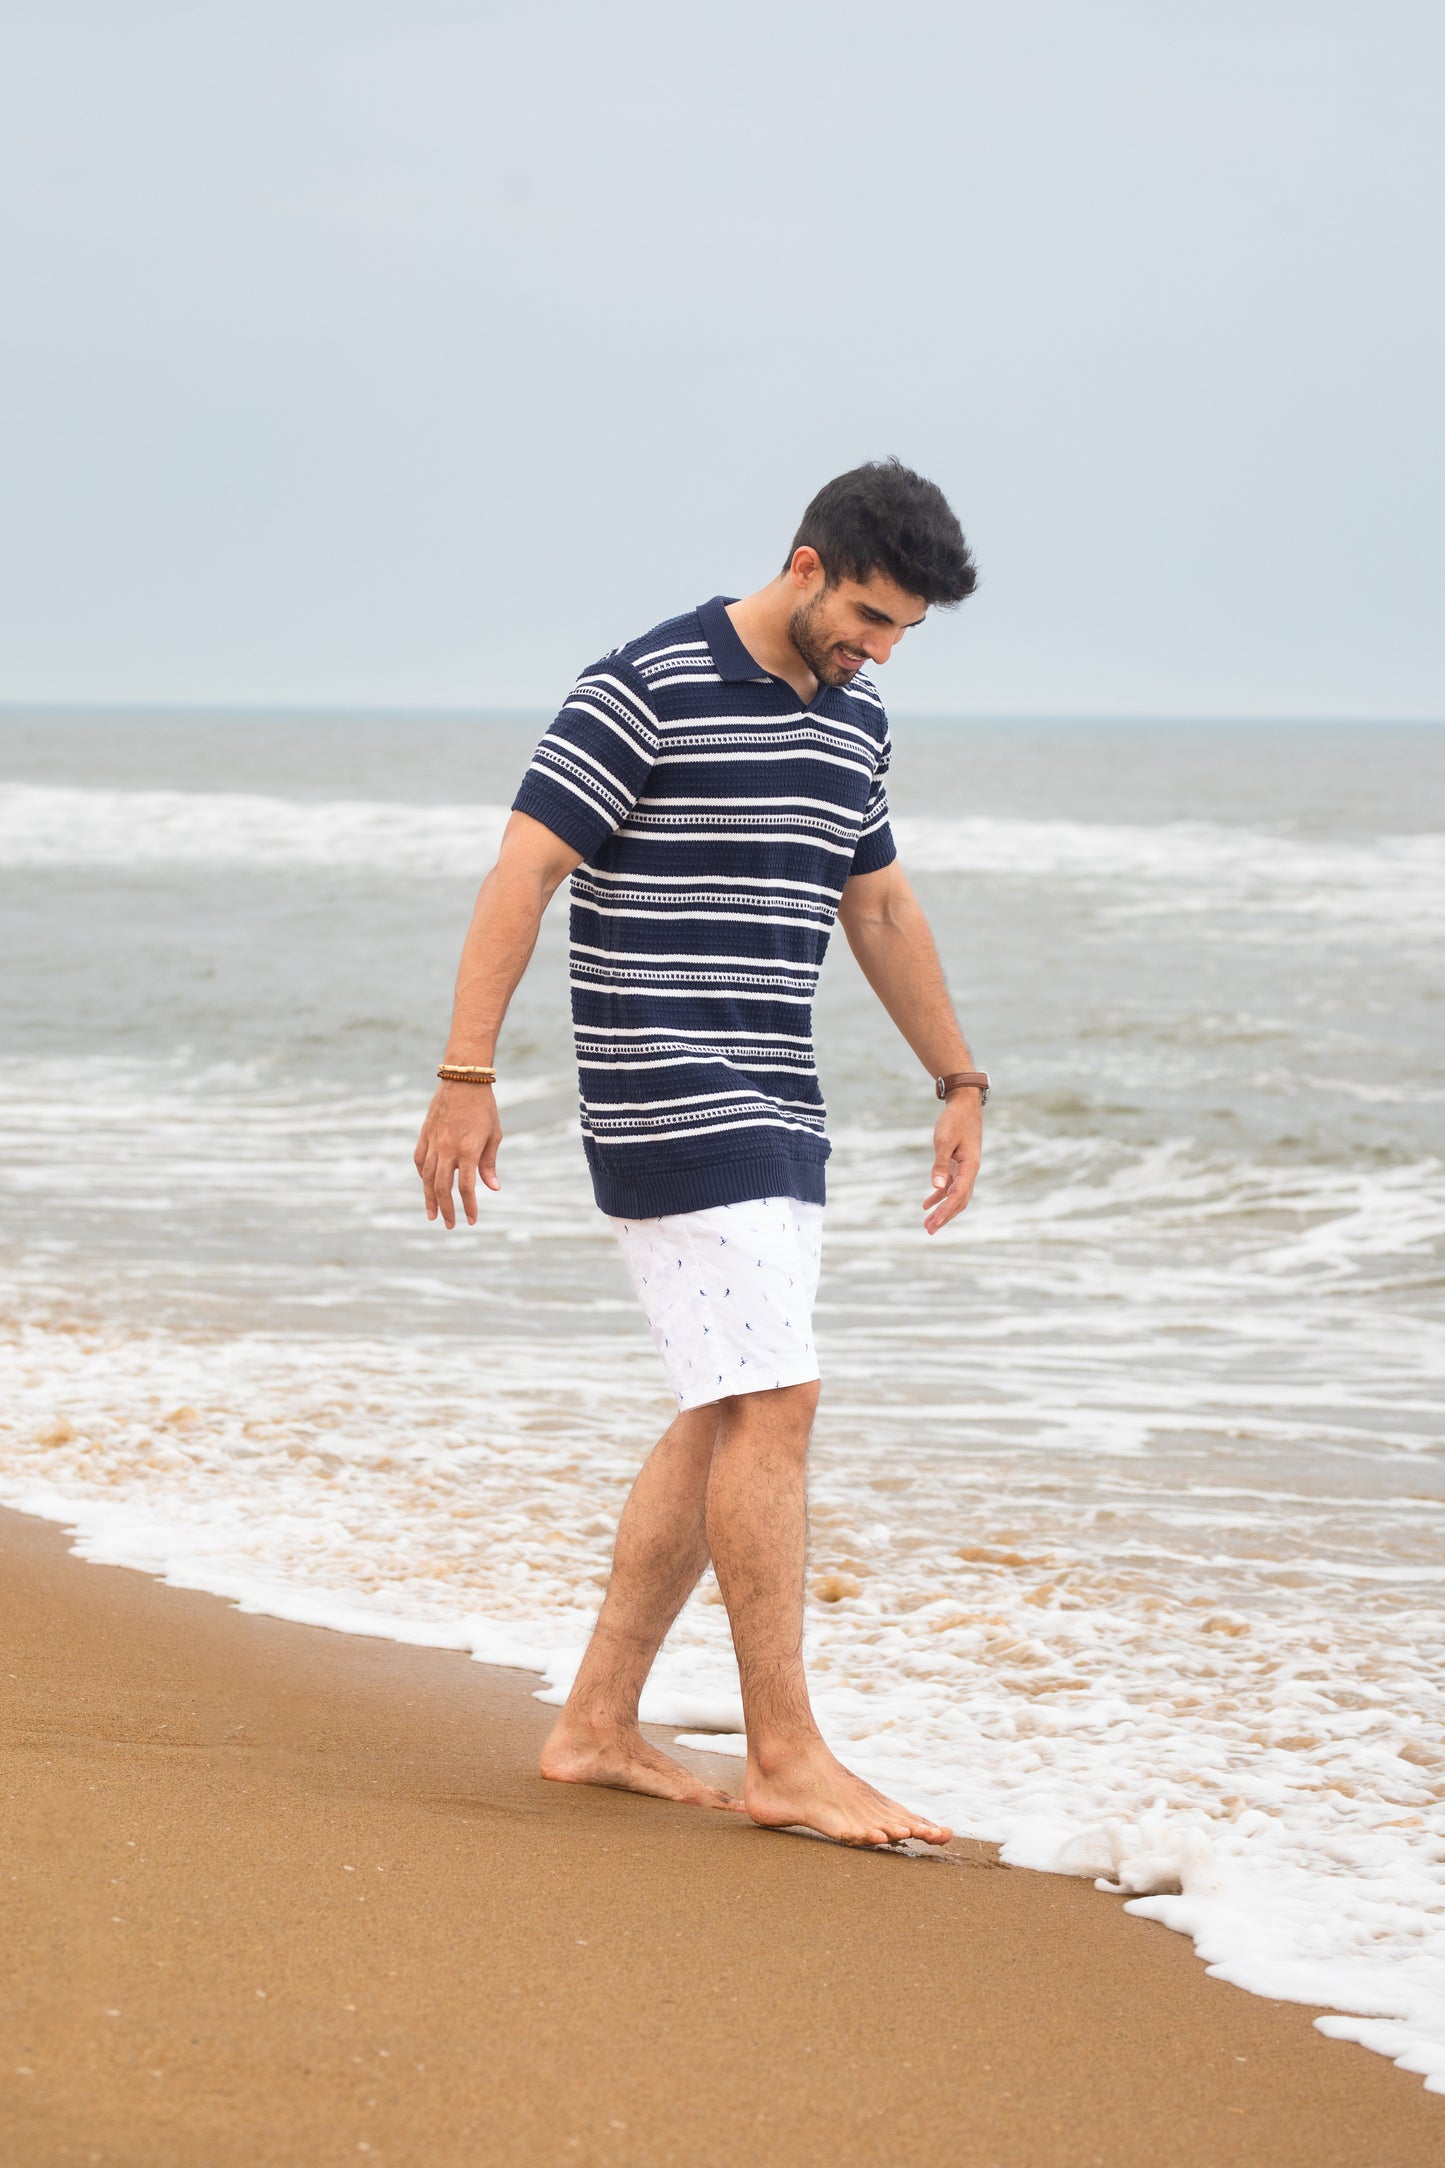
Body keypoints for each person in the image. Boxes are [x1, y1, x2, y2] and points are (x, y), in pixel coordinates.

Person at [414, 459, 985, 1849]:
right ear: (804, 565)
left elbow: (883, 906)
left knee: (729, 1404)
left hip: (782, 1103)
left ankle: (596, 1722)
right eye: (865, 612)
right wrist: (465, 1076)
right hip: (662, 1090)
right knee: (775, 1401)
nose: (879, 646)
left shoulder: (856, 718)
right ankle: (783, 1754)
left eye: (903, 628)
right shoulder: (642, 685)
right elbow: (524, 869)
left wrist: (956, 1075)